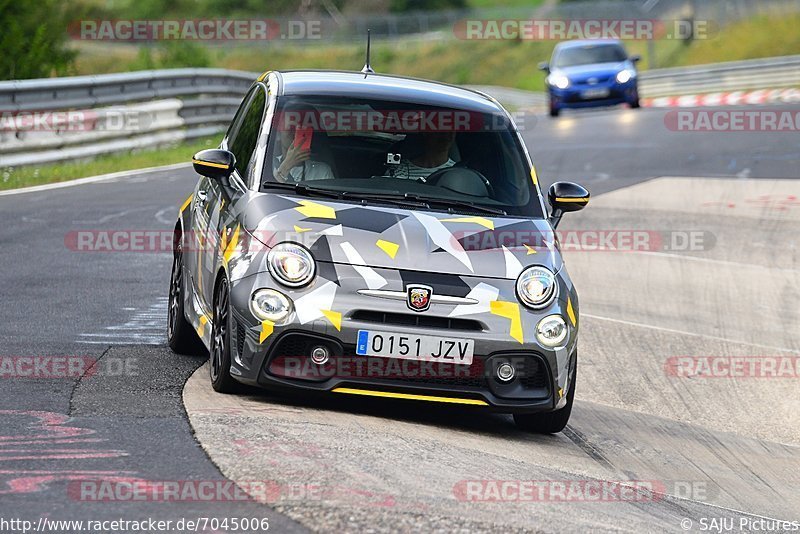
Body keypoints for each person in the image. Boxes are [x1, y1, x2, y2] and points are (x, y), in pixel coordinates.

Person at [388, 131, 457, 181]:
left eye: (451, 132)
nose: (446, 136)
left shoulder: (457, 172)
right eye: (441, 132)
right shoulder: (400, 170)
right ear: (426, 133)